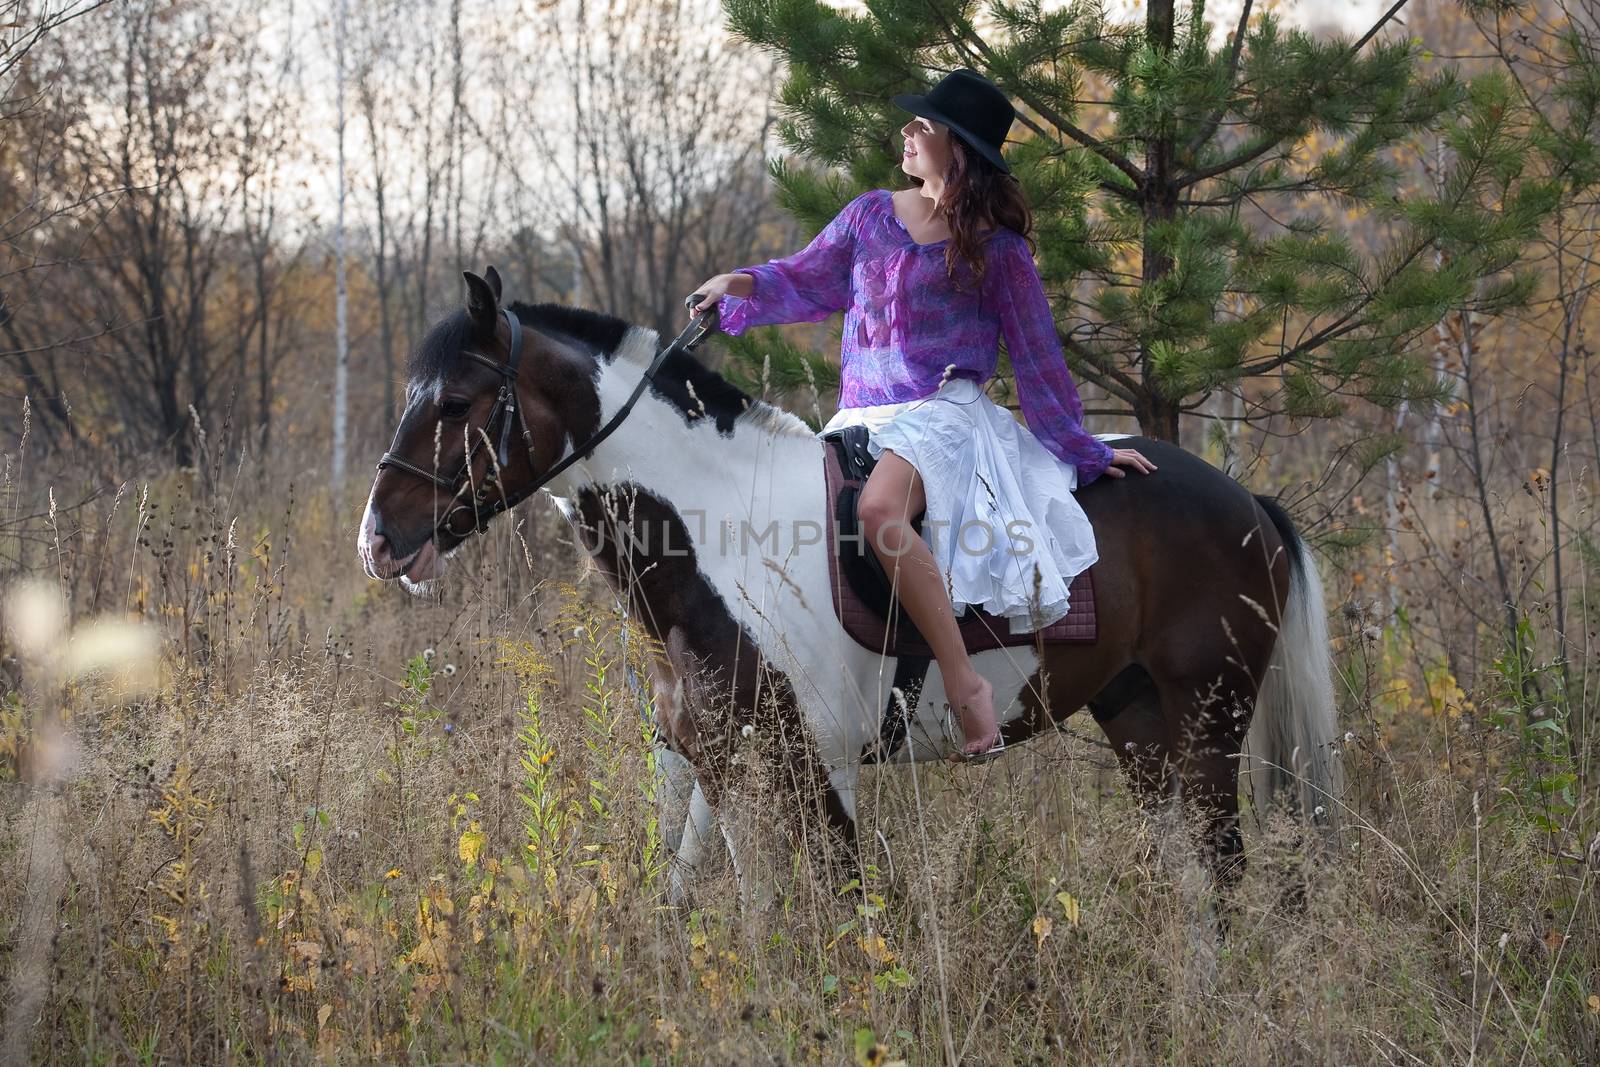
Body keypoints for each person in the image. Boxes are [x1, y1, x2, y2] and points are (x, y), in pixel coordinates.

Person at [690, 68, 1155, 761]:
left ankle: (969, 691)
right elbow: (809, 277)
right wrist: (739, 282)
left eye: (924, 127)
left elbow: (1039, 361)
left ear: (958, 149)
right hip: (861, 417)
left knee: (879, 513)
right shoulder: (871, 215)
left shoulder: (998, 252)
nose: (906, 132)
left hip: (944, 413)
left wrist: (1086, 451)